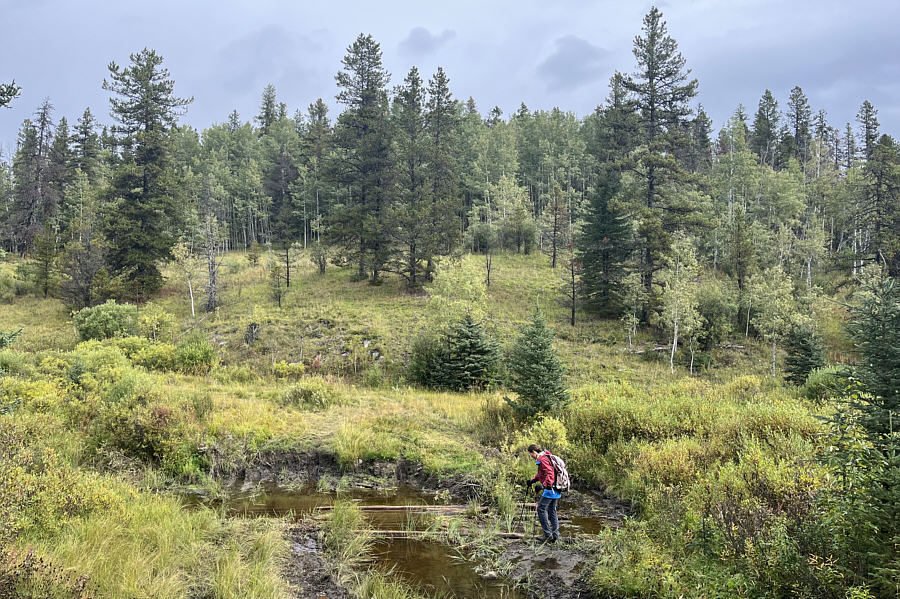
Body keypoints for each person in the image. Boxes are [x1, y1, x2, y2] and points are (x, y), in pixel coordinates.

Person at [524, 443, 561, 543]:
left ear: (534, 452)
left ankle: (547, 534)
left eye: (530, 454)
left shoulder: (542, 459)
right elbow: (541, 473)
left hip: (550, 489)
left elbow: (550, 473)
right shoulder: (546, 456)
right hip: (557, 488)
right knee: (552, 510)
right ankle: (556, 535)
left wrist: (543, 486)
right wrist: (533, 480)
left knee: (541, 508)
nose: (531, 456)